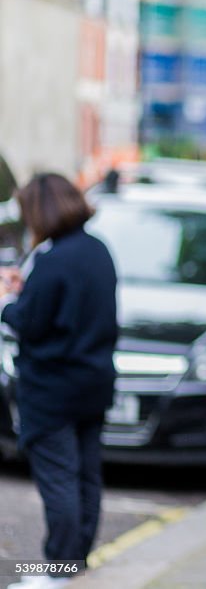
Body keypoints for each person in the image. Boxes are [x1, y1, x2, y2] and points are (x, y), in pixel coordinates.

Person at [0, 173, 118, 589]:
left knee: (58, 481)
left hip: (51, 388)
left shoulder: (52, 261)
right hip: (94, 382)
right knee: (86, 475)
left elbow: (29, 322)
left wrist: (7, 302)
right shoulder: (97, 251)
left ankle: (57, 572)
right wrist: (26, 289)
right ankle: (77, 562)